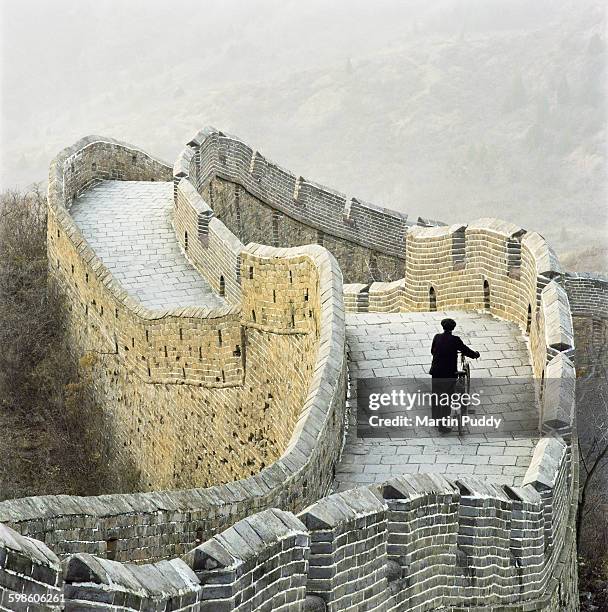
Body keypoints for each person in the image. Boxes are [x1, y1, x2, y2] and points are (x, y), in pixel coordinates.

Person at [429, 318, 480, 433]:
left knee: (436, 395)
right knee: (446, 398)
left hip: (436, 372)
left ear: (442, 327)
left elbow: (432, 351)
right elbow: (465, 350)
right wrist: (475, 354)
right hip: (448, 374)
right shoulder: (455, 340)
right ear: (453, 328)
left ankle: (436, 419)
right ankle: (443, 425)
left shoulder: (437, 337)